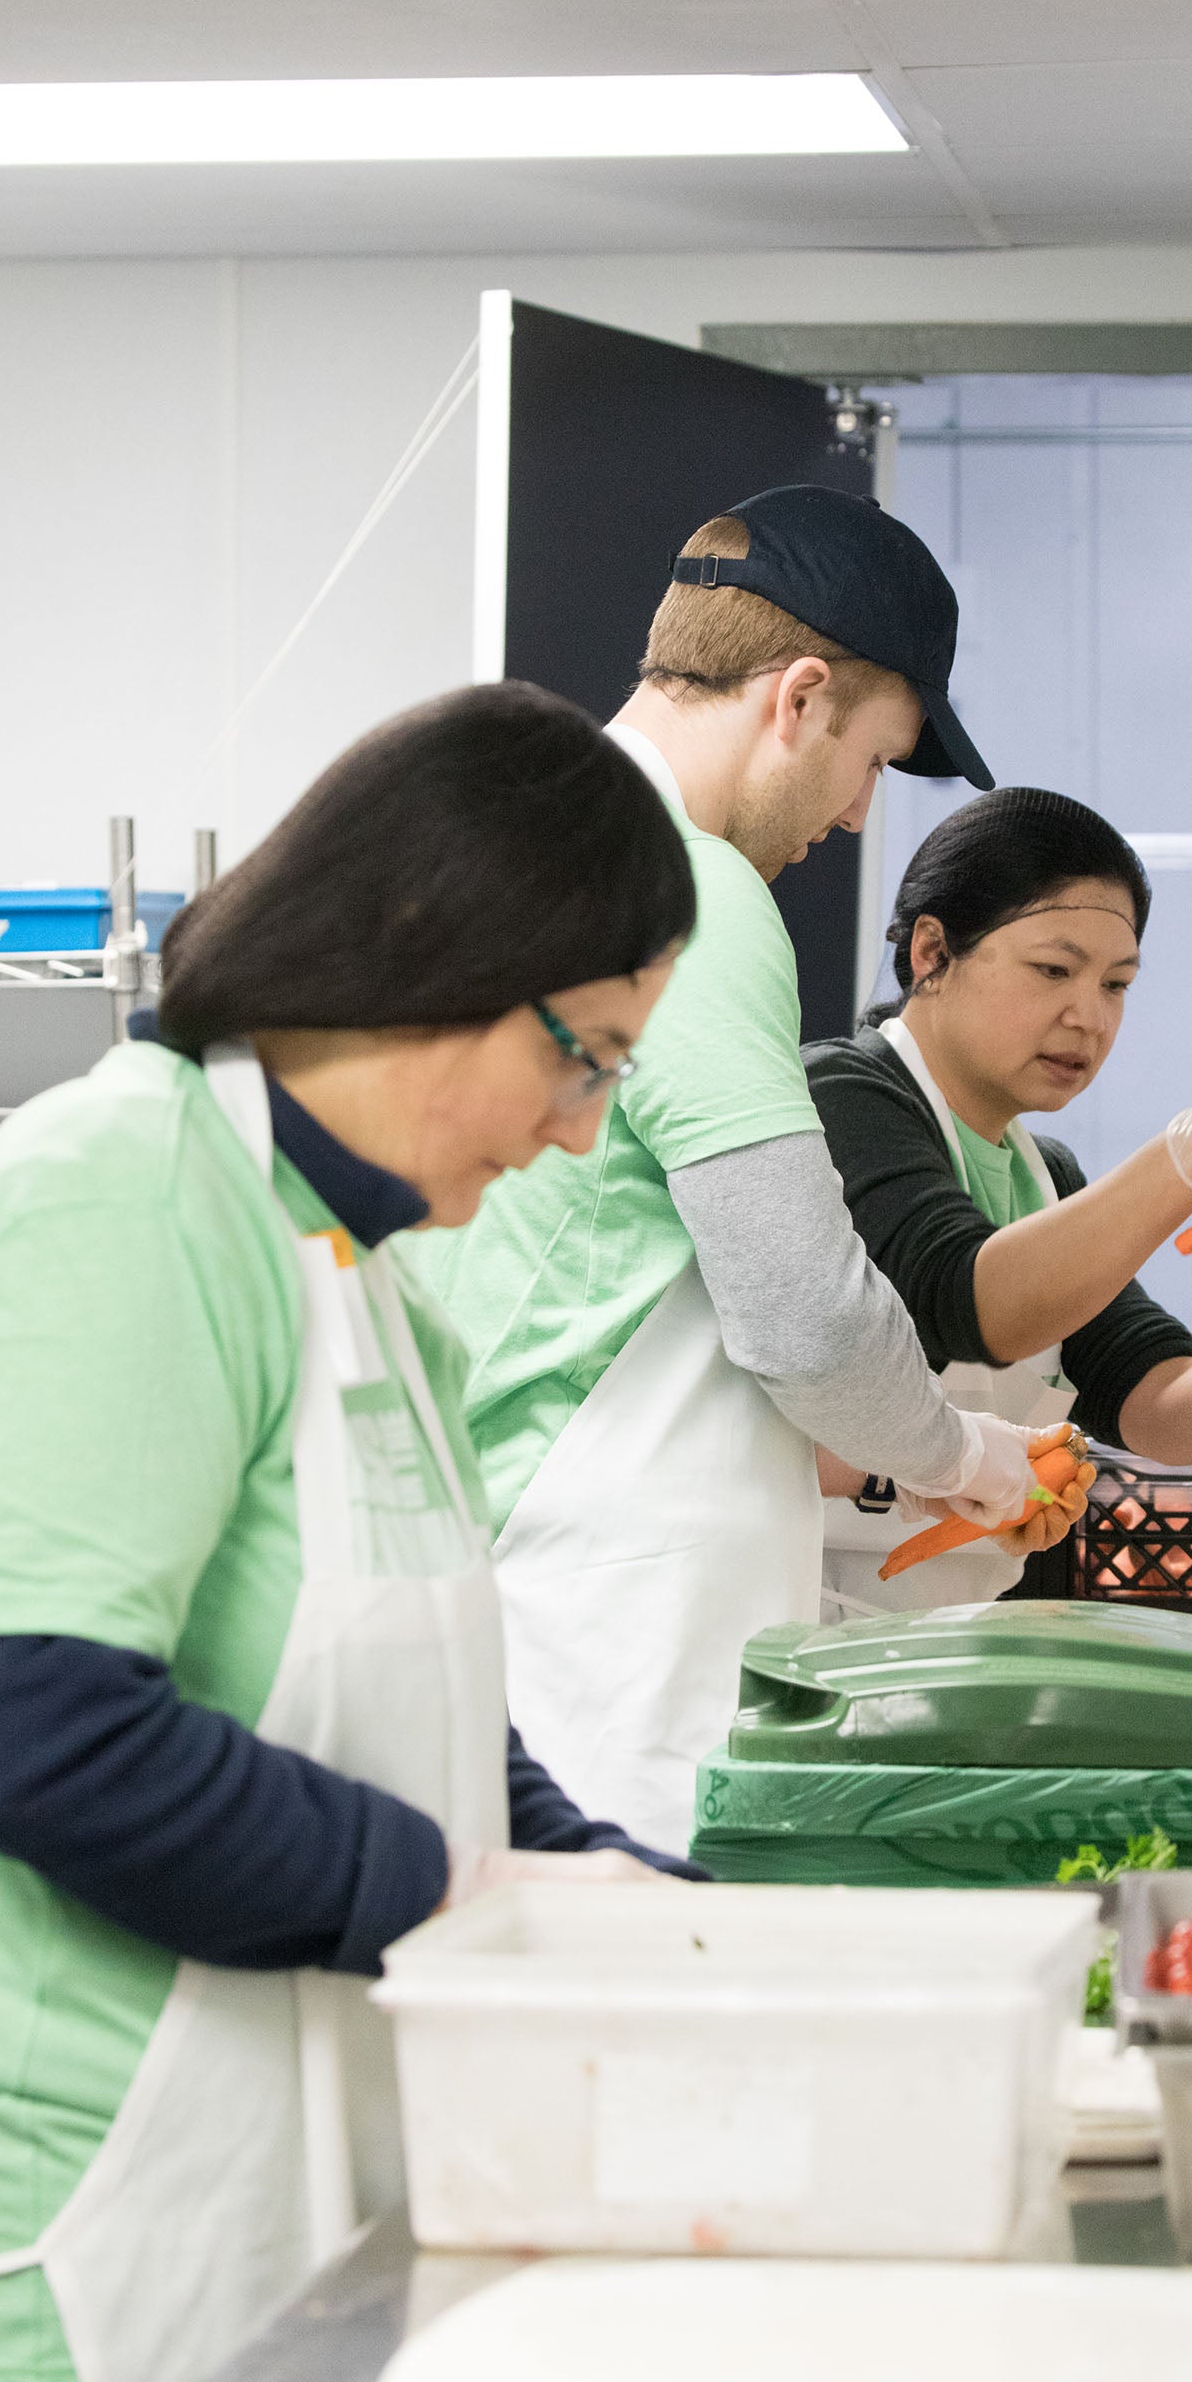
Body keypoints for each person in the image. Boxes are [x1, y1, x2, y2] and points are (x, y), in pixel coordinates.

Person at [0, 683, 702, 2382]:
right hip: (39, 2258)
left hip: (259, 2197)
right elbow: (45, 1736)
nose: (582, 1131)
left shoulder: (353, 1262)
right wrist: (475, 1909)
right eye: (590, 1054)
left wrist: (627, 1899)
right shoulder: (123, 1197)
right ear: (440, 944)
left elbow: (414, 1723)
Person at [420, 486, 1092, 1855]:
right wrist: (964, 1456)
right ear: (796, 698)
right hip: (624, 1605)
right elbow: (802, 1302)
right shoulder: (692, 891)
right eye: (871, 764)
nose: (855, 819)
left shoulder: (506, 847)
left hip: (505, 1552)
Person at [805, 786, 1192, 1609]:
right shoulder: (839, 1096)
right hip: (797, 1623)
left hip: (936, 1636)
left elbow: (1164, 1410)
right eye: (1052, 969)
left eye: (1116, 984)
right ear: (932, 953)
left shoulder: (1046, 1180)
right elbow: (971, 1299)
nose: (1089, 1016)